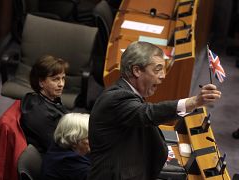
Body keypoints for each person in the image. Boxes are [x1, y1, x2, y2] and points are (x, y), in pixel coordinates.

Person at [88, 41, 222, 180]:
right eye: (157, 69)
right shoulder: (117, 98)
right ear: (137, 70)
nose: (163, 76)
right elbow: (148, 113)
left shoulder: (127, 92)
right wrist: (194, 102)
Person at [20, 55, 69, 154]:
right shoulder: (38, 113)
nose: (61, 84)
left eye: (63, 78)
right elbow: (56, 147)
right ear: (41, 83)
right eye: (55, 79)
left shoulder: (49, 99)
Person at [41, 113, 91, 180]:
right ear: (74, 140)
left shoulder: (58, 146)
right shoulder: (71, 163)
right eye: (88, 137)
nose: (94, 139)